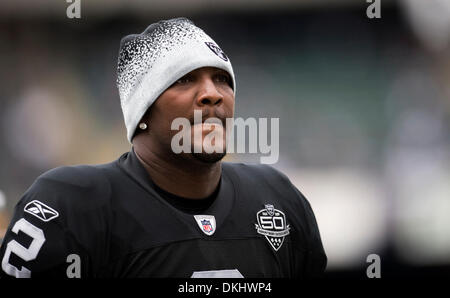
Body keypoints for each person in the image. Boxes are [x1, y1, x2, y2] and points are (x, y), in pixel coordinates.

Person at [0, 17, 326, 278]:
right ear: (142, 113)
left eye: (222, 79)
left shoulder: (278, 198)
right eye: (184, 79)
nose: (212, 93)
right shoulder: (72, 205)